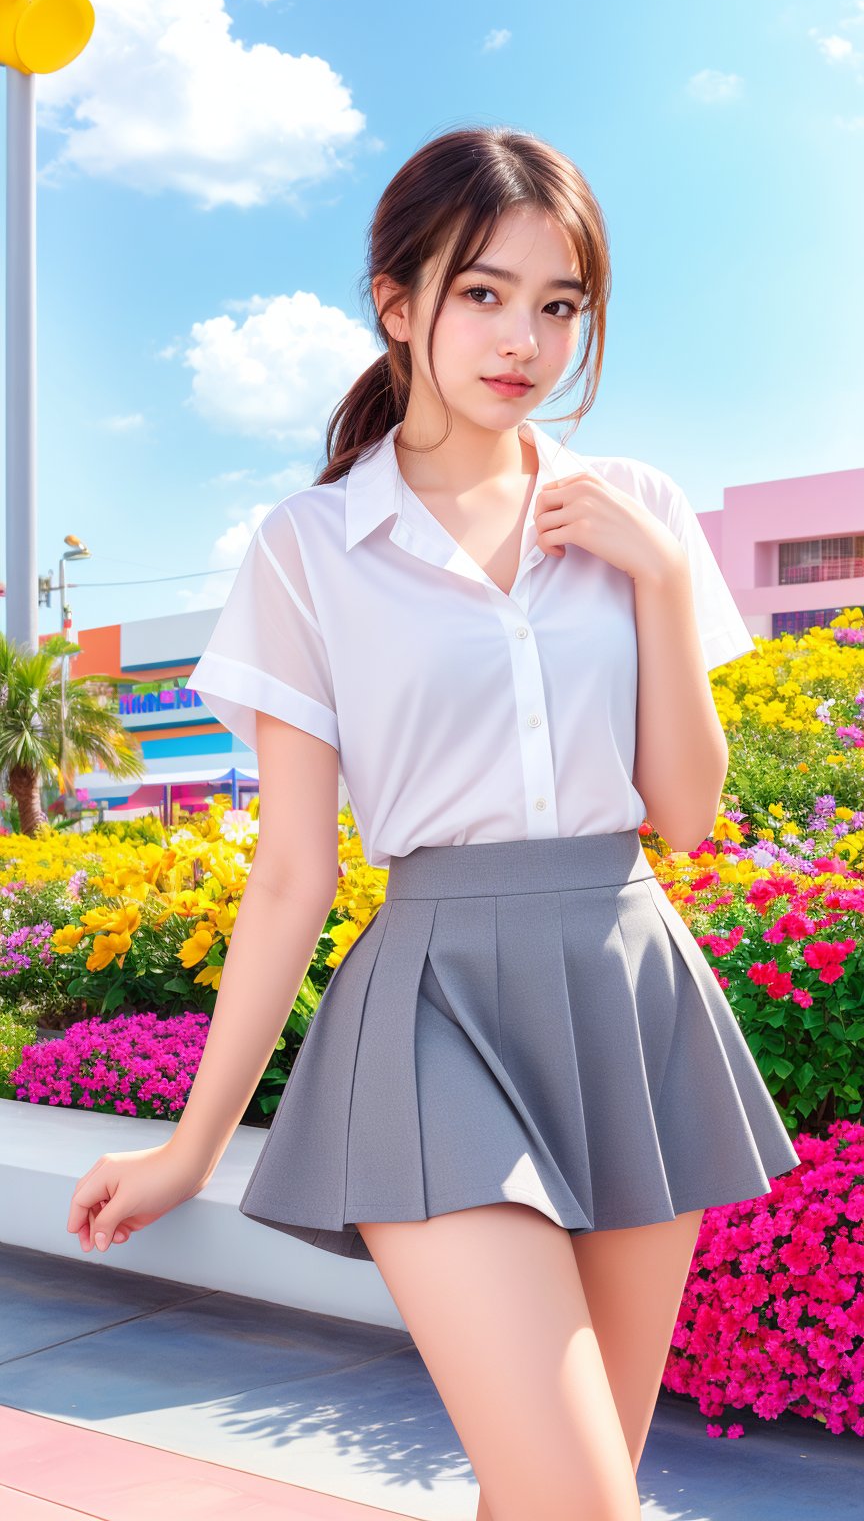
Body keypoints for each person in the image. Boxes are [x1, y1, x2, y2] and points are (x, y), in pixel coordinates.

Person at [67, 125, 801, 1521]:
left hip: (627, 986)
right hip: (434, 1011)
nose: (523, 337)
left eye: (559, 303)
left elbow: (689, 816)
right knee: (581, 1501)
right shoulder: (310, 547)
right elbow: (292, 874)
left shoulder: (634, 510)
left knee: (557, 1494)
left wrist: (654, 583)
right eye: (483, 292)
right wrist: (189, 1146)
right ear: (398, 305)